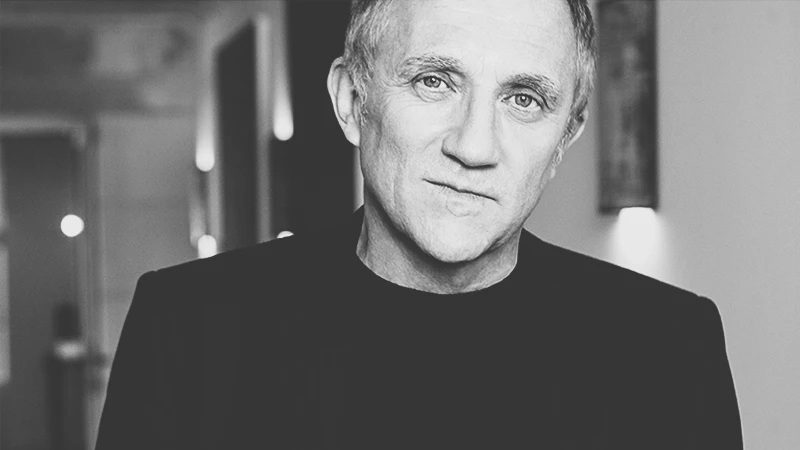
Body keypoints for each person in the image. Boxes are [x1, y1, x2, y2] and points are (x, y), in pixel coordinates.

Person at [96, 0, 743, 448]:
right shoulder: (186, 327)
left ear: (566, 136)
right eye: (435, 82)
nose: (474, 146)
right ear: (352, 101)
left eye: (523, 99)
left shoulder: (669, 350)